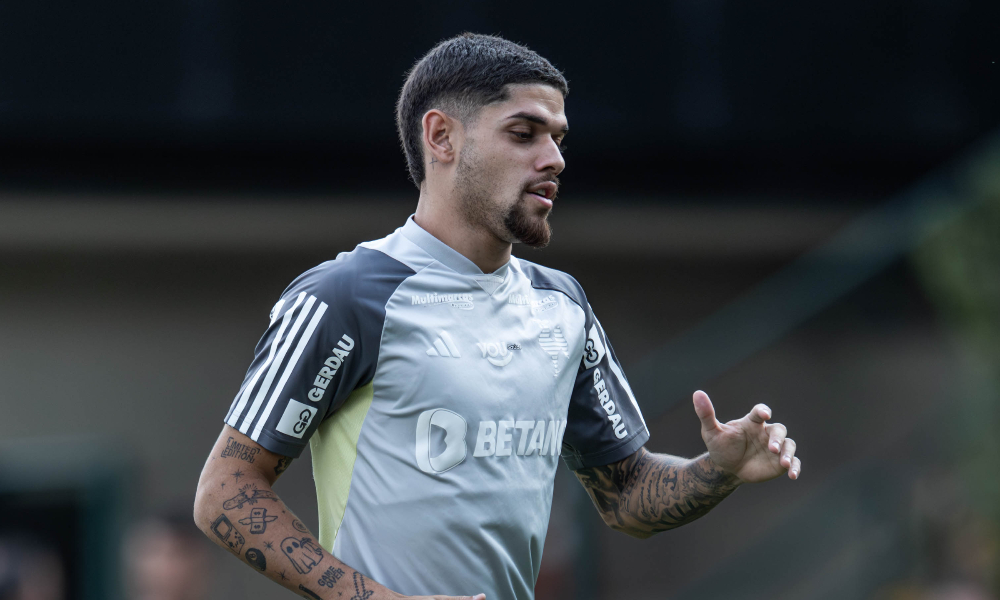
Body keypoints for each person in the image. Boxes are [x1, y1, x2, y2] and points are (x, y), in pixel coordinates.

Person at [193, 33, 802, 600]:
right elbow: (225, 493)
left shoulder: (563, 305)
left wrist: (718, 469)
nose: (555, 158)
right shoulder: (348, 295)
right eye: (524, 133)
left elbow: (626, 496)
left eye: (558, 137)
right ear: (442, 138)